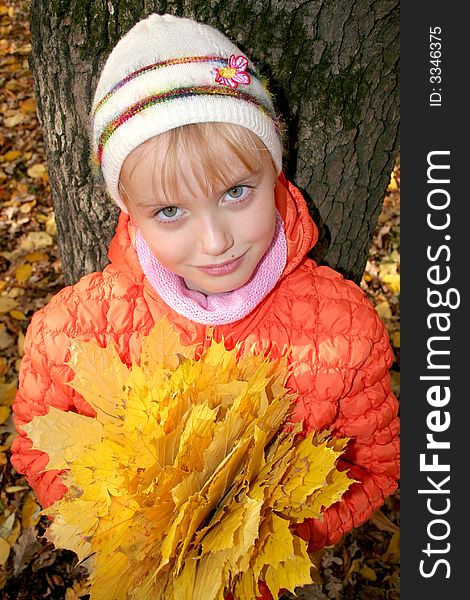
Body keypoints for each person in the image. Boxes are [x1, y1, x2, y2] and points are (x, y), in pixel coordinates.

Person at [11, 13, 399, 599]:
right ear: (131, 210)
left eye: (235, 192)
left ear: (276, 172)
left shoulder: (343, 330)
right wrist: (120, 532)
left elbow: (374, 464)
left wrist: (270, 541)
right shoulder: (72, 335)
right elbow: (38, 444)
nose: (214, 241)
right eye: (170, 211)